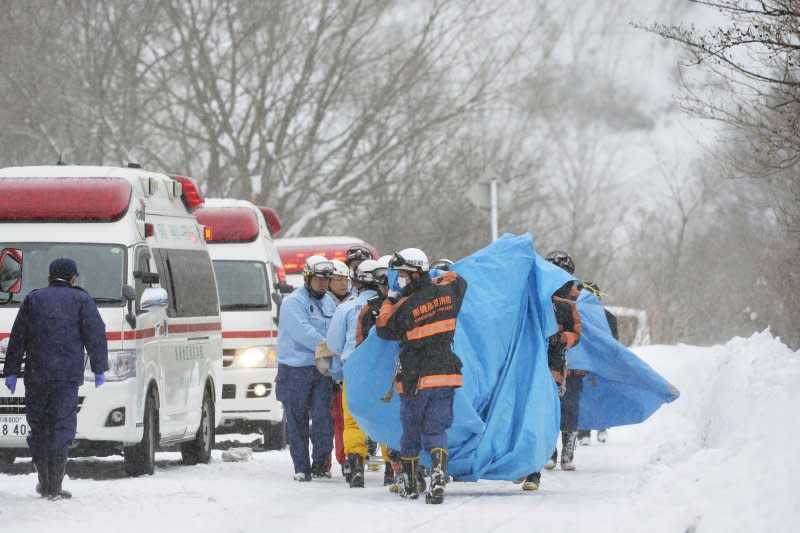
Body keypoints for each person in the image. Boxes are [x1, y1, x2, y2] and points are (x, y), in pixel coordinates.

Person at [3, 258, 108, 500]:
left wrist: (11, 371)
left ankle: (44, 482)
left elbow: (18, 336)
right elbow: (95, 334)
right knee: (61, 426)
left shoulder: (33, 299)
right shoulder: (82, 300)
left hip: (37, 375)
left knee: (39, 425)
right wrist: (99, 367)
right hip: (66, 377)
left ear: (49, 278)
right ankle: (55, 486)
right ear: (73, 278)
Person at [376, 248, 467, 504]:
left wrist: (390, 299)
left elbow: (383, 328)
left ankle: (410, 483)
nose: (400, 278)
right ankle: (438, 476)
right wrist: (436, 280)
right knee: (436, 429)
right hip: (446, 374)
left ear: (415, 274)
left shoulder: (405, 306)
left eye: (403, 274)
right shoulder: (449, 294)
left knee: (411, 432)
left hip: (415, 377)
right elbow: (459, 280)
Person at [519, 250, 583, 491]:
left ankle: (534, 471)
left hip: (552, 369)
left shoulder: (567, 307)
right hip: (525, 368)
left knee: (540, 417)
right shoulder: (531, 300)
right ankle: (526, 464)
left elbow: (577, 334)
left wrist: (560, 338)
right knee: (525, 418)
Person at [275, 255, 337, 481]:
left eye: (326, 279)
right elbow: (303, 332)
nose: (323, 283)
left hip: (321, 369)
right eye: (319, 279)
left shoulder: (330, 302)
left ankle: (321, 463)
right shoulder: (293, 303)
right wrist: (331, 346)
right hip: (295, 370)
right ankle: (302, 467)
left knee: (323, 418)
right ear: (307, 278)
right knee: (297, 419)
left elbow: (336, 328)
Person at [323, 259, 382, 488]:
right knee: (384, 418)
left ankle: (356, 466)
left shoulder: (346, 308)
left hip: (354, 371)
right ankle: (393, 469)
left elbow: (335, 345)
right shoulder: (390, 306)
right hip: (382, 372)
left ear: (357, 282)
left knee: (352, 421)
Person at [576, 280, 618, 445]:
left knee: (589, 395)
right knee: (591, 395)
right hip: (590, 362)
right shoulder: (577, 315)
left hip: (596, 362)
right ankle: (589, 430)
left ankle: (595, 428)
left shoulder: (607, 317)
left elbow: (614, 343)